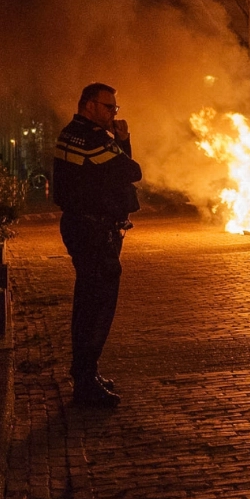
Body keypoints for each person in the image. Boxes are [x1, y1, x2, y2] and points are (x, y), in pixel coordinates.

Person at [52, 82, 142, 407]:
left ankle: (86, 373)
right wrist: (123, 140)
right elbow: (132, 171)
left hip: (82, 227)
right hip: (94, 231)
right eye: (108, 108)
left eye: (115, 108)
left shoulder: (69, 133)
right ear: (89, 105)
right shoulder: (92, 139)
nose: (113, 114)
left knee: (87, 303)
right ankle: (86, 382)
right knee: (98, 306)